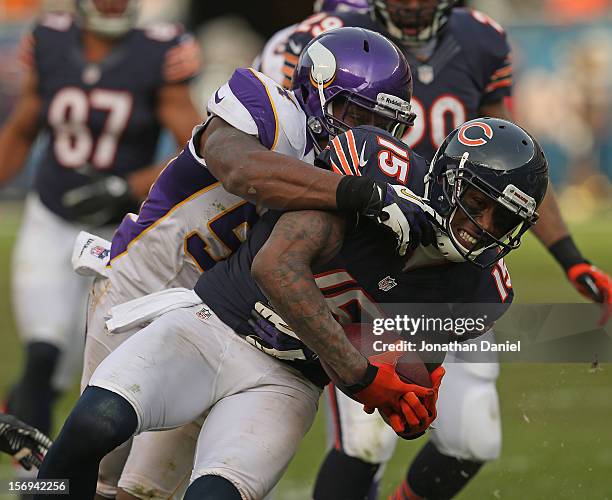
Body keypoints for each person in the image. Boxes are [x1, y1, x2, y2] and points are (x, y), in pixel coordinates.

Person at [35, 115, 548, 500]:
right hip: (214, 325)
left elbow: (408, 368)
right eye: (476, 202)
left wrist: (408, 402)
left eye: (503, 219)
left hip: (286, 383)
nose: (481, 226)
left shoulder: (483, 292)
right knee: (90, 428)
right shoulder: (373, 166)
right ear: (444, 180)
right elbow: (277, 268)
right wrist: (359, 373)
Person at [258, 2, 612, 497]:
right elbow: (292, 126)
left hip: (455, 251)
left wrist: (571, 258)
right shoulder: (339, 32)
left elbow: (518, 170)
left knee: (471, 438)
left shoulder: (481, 40)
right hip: (368, 233)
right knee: (366, 440)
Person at [63, 27, 426, 500]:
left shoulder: (355, 167)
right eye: (353, 114)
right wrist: (359, 193)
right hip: (142, 282)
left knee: (144, 490)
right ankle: (38, 483)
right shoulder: (267, 108)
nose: (364, 133)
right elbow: (242, 170)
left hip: (217, 319)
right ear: (318, 91)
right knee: (92, 460)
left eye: (379, 124)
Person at [0, 0, 201, 442]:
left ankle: (43, 451)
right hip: (50, 217)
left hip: (119, 232)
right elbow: (21, 129)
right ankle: (40, 483)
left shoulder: (159, 51)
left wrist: (129, 186)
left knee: (92, 370)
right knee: (43, 352)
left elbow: (200, 148)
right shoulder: (49, 41)